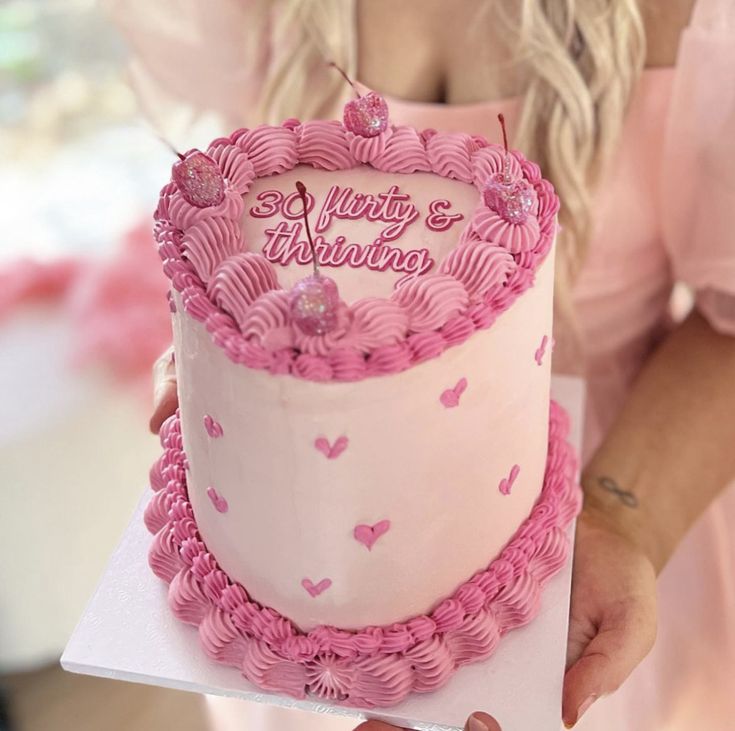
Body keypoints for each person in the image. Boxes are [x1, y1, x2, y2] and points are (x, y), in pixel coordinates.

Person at [110, 0, 735, 729]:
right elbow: (260, 224)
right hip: (301, 525)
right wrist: (239, 359)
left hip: (609, 486)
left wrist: (627, 519)